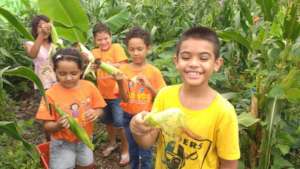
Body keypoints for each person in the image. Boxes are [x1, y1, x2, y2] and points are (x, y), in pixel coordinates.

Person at [130, 26, 240, 169]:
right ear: (176, 61)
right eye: (186, 57)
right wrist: (137, 129)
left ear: (217, 64)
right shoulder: (164, 95)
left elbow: (229, 163)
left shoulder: (224, 112)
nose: (193, 64)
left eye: (204, 58)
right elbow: (147, 142)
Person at [36, 48, 106, 169]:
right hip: (62, 143)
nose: (68, 78)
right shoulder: (50, 95)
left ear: (81, 71)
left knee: (87, 165)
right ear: (55, 72)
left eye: (74, 73)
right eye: (62, 74)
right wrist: (58, 125)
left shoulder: (89, 87)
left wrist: (96, 113)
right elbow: (46, 125)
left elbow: (100, 108)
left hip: (85, 139)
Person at [113, 26, 166, 169]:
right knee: (133, 149)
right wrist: (119, 81)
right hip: (128, 116)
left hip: (146, 118)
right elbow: (124, 99)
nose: (135, 53)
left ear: (148, 48)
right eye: (132, 49)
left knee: (146, 152)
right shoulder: (123, 70)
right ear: (127, 49)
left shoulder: (153, 72)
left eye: (140, 49)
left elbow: (161, 97)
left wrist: (149, 86)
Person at [91, 22, 129, 166]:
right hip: (102, 95)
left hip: (117, 94)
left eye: (106, 38)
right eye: (99, 40)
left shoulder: (116, 48)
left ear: (111, 37)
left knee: (120, 123)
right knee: (108, 122)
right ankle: (112, 143)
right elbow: (90, 68)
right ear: (95, 41)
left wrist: (105, 65)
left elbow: (124, 66)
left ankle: (126, 149)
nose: (103, 42)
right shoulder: (94, 53)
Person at [24, 15, 57, 92]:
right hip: (42, 85)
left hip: (58, 82)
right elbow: (32, 54)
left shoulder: (55, 45)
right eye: (40, 27)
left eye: (46, 26)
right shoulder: (29, 44)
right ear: (35, 30)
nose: (44, 29)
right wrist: (41, 34)